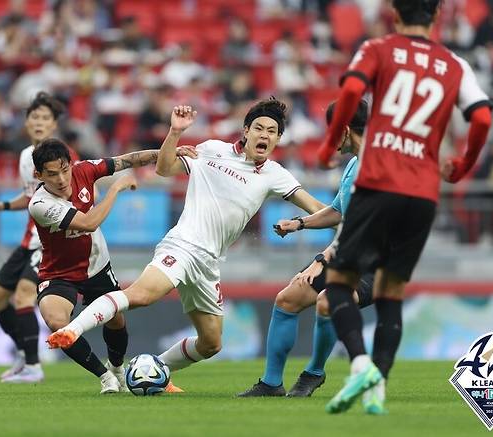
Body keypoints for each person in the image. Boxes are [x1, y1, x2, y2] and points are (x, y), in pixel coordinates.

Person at [46, 99, 326, 390]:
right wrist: (175, 132)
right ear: (246, 130)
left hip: (209, 262)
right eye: (259, 128)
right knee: (141, 295)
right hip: (183, 244)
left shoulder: (276, 174)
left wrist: (335, 216)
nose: (265, 135)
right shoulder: (211, 150)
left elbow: (318, 208)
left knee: (211, 343)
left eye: (272, 131)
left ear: (279, 138)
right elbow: (165, 169)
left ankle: (156, 368)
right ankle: (72, 329)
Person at [315, 0, 493, 414]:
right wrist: (463, 166)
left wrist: (327, 145)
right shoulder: (453, 64)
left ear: (394, 15)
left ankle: (359, 363)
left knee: (339, 281)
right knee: (391, 291)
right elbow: (482, 117)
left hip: (379, 180)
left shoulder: (378, 49)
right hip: (424, 191)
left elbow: (352, 90)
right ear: (435, 18)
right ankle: (378, 386)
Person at [29, 138, 196, 393]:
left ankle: (117, 367)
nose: (62, 179)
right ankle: (105, 376)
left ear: (71, 164)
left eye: (65, 170)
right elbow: (88, 223)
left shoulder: (84, 170)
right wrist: (115, 189)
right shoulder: (39, 204)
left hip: (96, 266)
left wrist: (168, 151)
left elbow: (127, 160)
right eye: (52, 175)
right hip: (59, 273)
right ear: (38, 174)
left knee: (116, 321)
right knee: (56, 321)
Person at [238, 100, 377, 406]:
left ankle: (314, 372)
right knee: (288, 298)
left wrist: (321, 259)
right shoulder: (354, 164)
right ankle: (271, 383)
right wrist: (300, 223)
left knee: (329, 299)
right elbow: (340, 212)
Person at [0, 91, 67, 383]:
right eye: (35, 117)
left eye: (46, 118)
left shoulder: (62, 158)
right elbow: (31, 197)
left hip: (50, 242)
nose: (39, 122)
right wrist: (3, 205)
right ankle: (23, 352)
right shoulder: (24, 157)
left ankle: (33, 366)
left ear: (54, 125)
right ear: (27, 122)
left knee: (24, 295)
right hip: (28, 239)